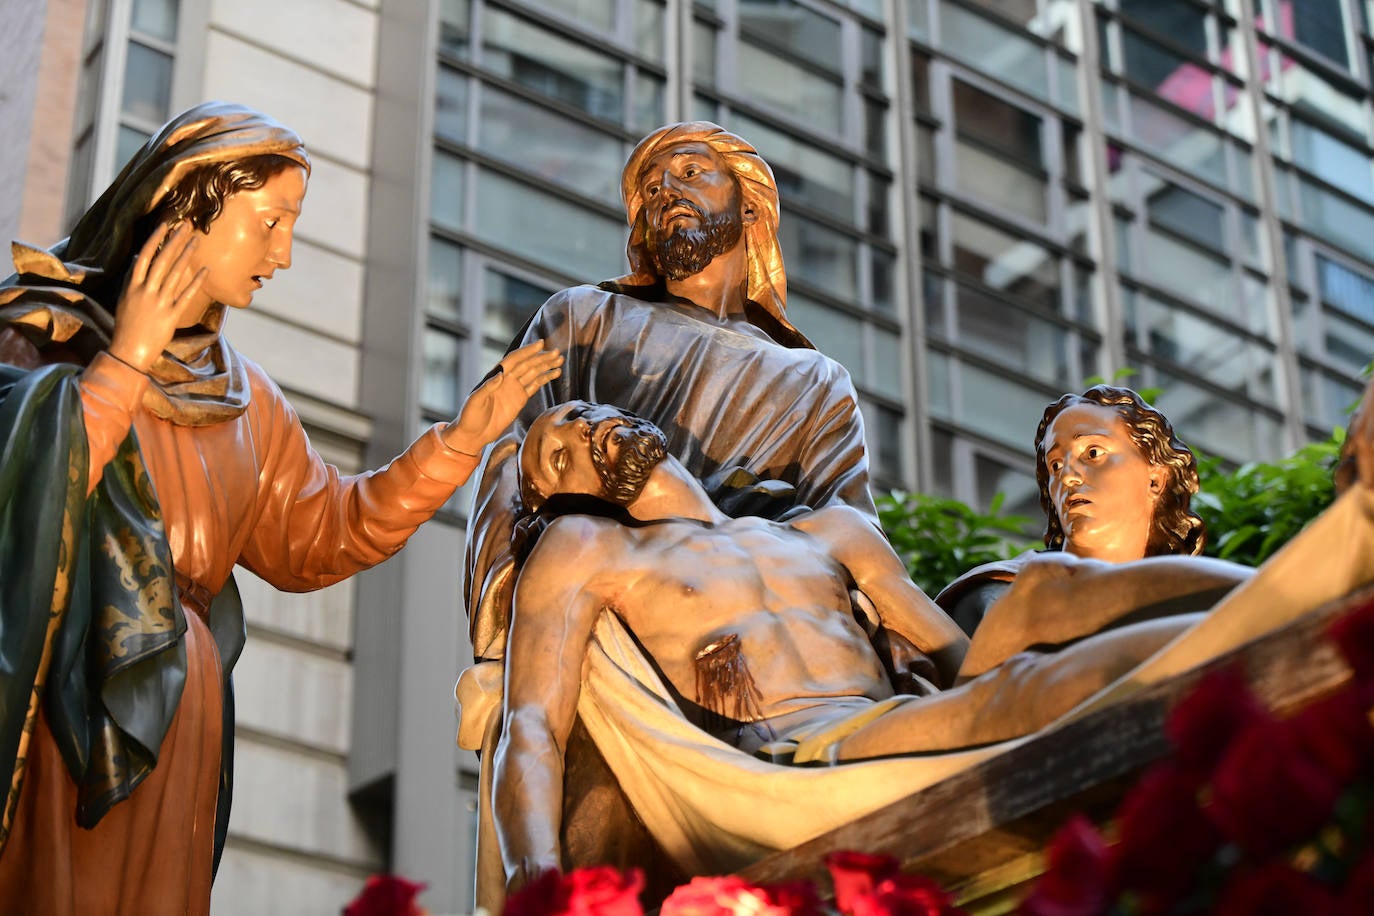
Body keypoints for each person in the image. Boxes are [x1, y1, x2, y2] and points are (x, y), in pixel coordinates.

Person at [0, 102, 561, 915]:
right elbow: (22, 495)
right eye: (269, 222)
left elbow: (324, 531)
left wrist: (460, 442)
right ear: (189, 205)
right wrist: (125, 359)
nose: (284, 253)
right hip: (72, 688)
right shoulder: (42, 334)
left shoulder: (246, 399)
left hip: (180, 710)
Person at [492, 401, 1297, 892]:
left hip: (905, 720)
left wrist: (1003, 656)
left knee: (1041, 587)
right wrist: (536, 879)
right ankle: (1288, 619)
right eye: (555, 460)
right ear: (565, 496)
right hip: (798, 760)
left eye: (574, 419)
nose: (575, 436)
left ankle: (1287, 598)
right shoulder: (591, 549)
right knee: (1018, 672)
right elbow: (530, 726)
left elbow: (952, 655)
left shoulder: (829, 530)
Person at [464, 121, 875, 663]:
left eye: (690, 173)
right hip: (597, 599)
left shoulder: (816, 380)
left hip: (754, 623)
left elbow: (851, 537)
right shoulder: (583, 318)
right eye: (652, 191)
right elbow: (511, 458)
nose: (668, 193)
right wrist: (509, 609)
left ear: (749, 207)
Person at [936, 386, 1252, 645]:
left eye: (1093, 453)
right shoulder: (999, 594)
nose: (1068, 477)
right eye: (1055, 465)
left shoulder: (1194, 602)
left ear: (1156, 478)